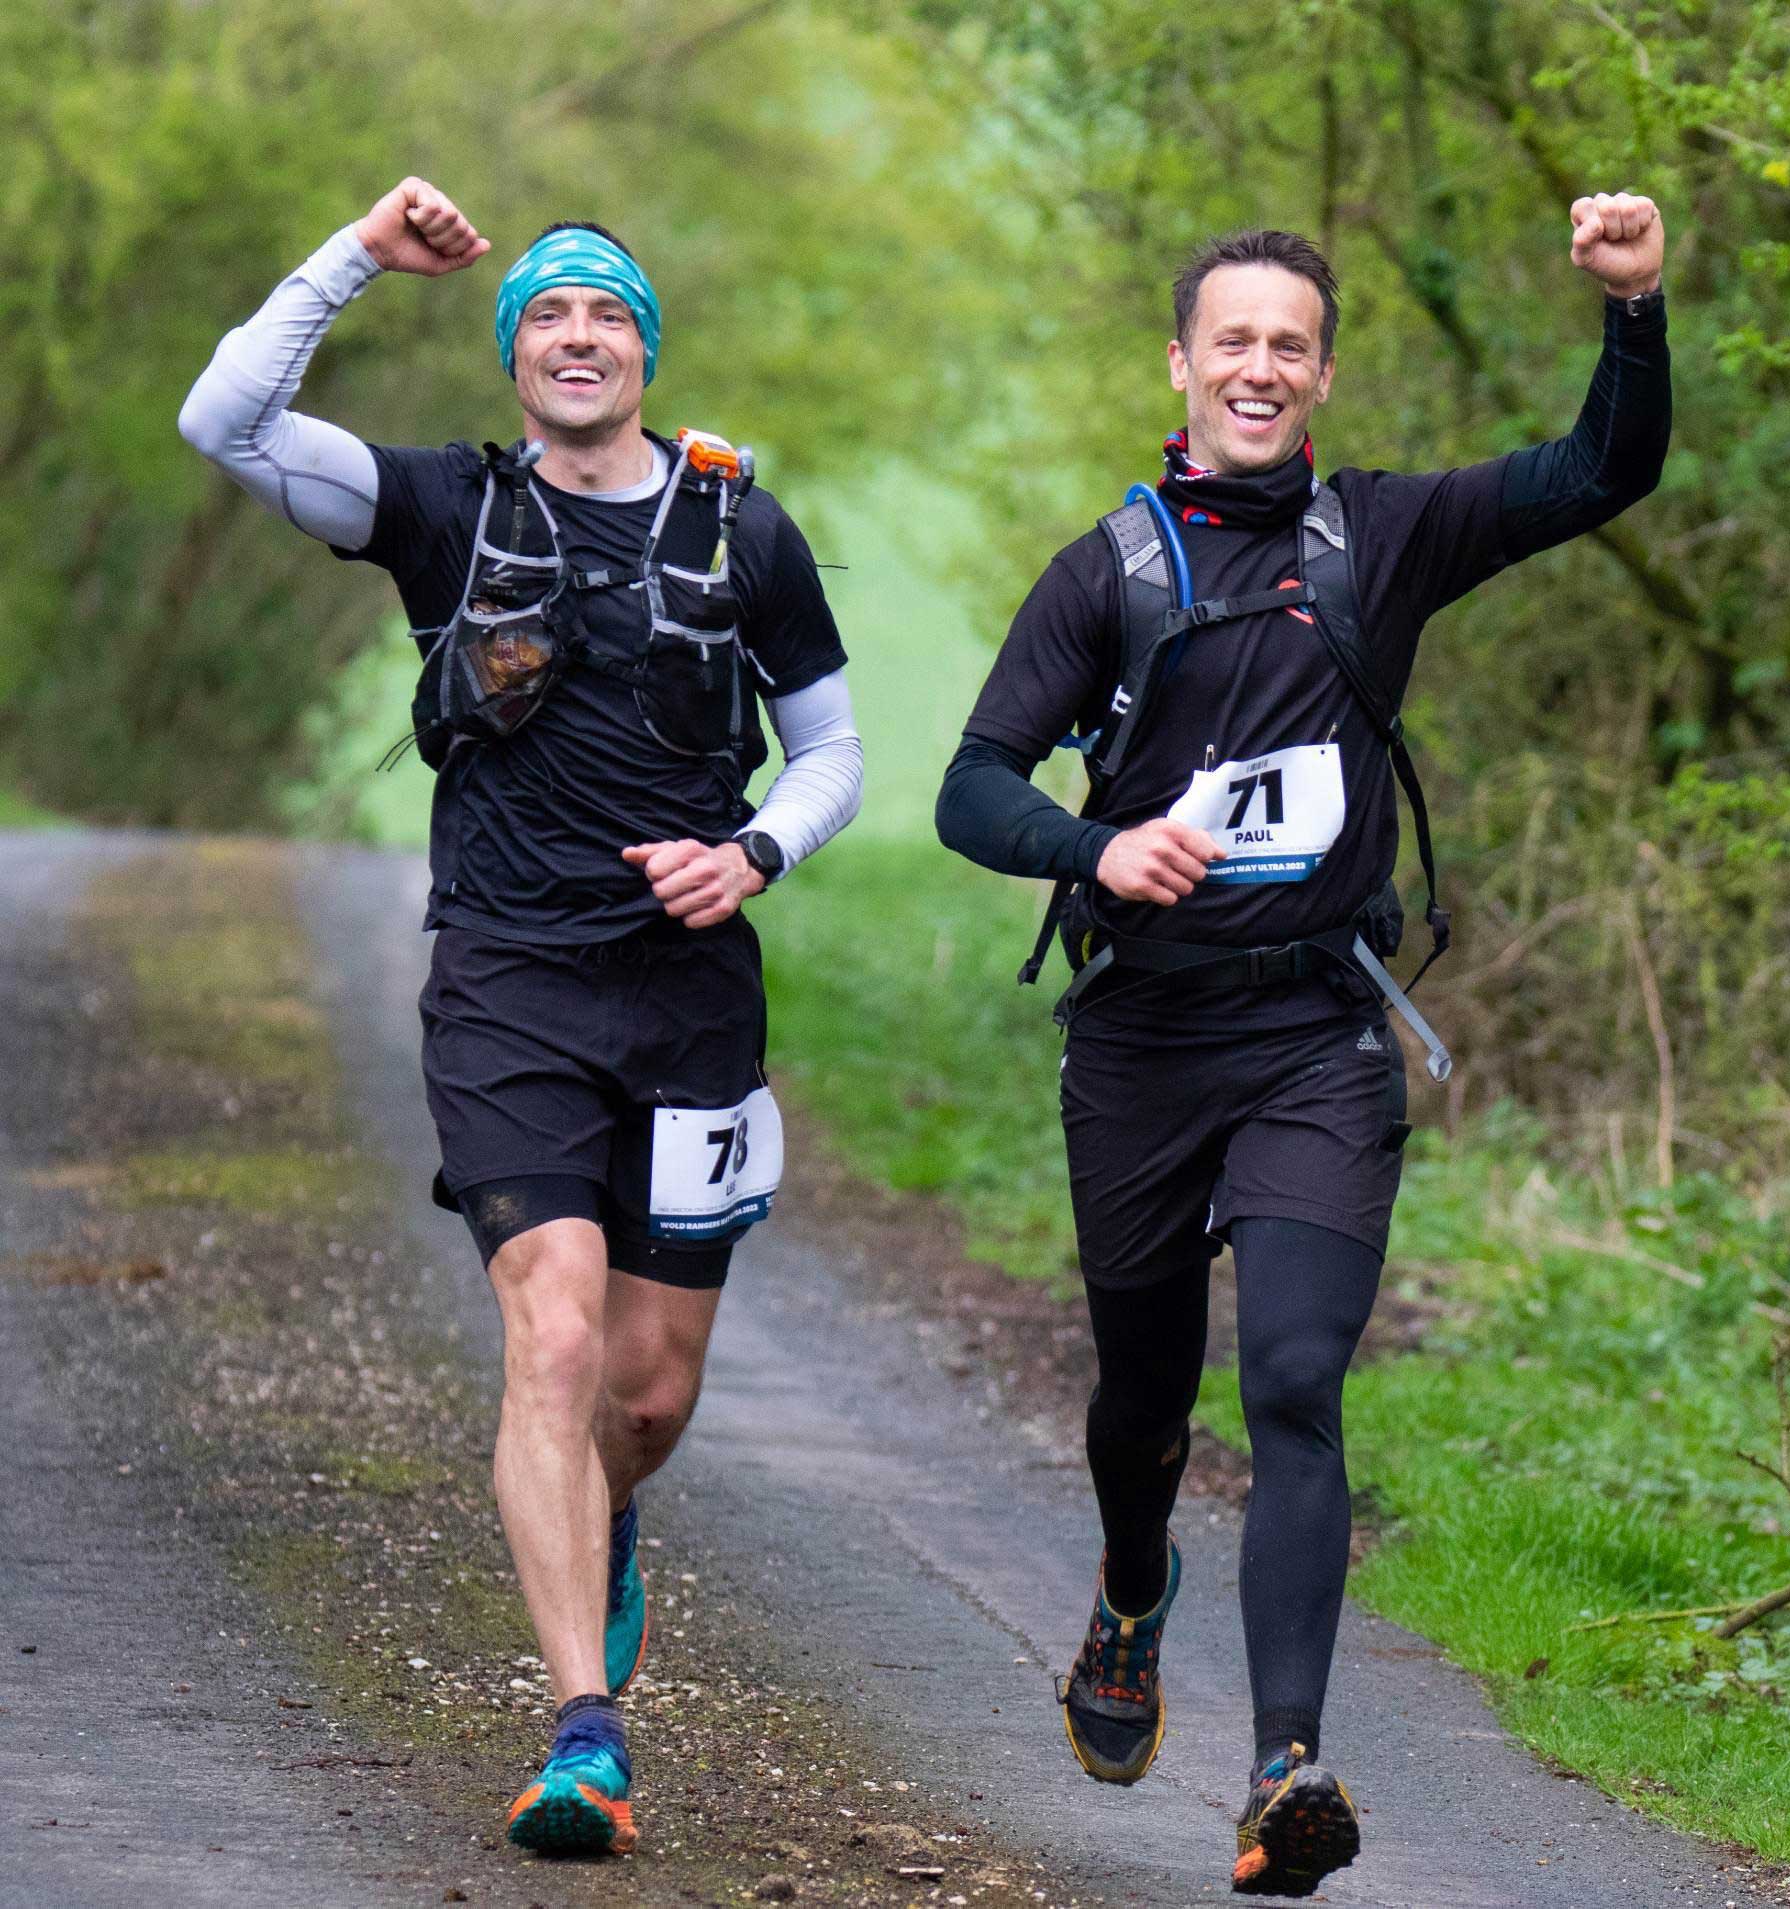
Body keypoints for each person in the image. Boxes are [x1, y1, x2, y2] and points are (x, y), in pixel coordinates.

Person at [935, 198, 1668, 1894]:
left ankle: (1283, 1765)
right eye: (1232, 341)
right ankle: (1131, 1594)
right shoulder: (1108, 569)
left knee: (1290, 1381)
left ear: (1321, 374)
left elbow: (1598, 472)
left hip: (1316, 1036)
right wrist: (1092, 849)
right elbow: (972, 787)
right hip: (1138, 1042)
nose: (1259, 367)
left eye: (1290, 343)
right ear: (1181, 367)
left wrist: (1632, 311)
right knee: (1142, 1400)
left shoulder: (1383, 537)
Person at [180, 179, 863, 1856]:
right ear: (512, 355)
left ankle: (599, 1519)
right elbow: (223, 416)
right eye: (547, 316)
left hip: (692, 996)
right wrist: (358, 256)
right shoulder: (442, 511)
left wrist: (759, 849)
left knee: (643, 1392)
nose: (577, 336)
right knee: (549, 1338)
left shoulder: (742, 533)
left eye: (607, 314)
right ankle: (584, 1732)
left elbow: (836, 748)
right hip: (505, 981)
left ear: (644, 347)